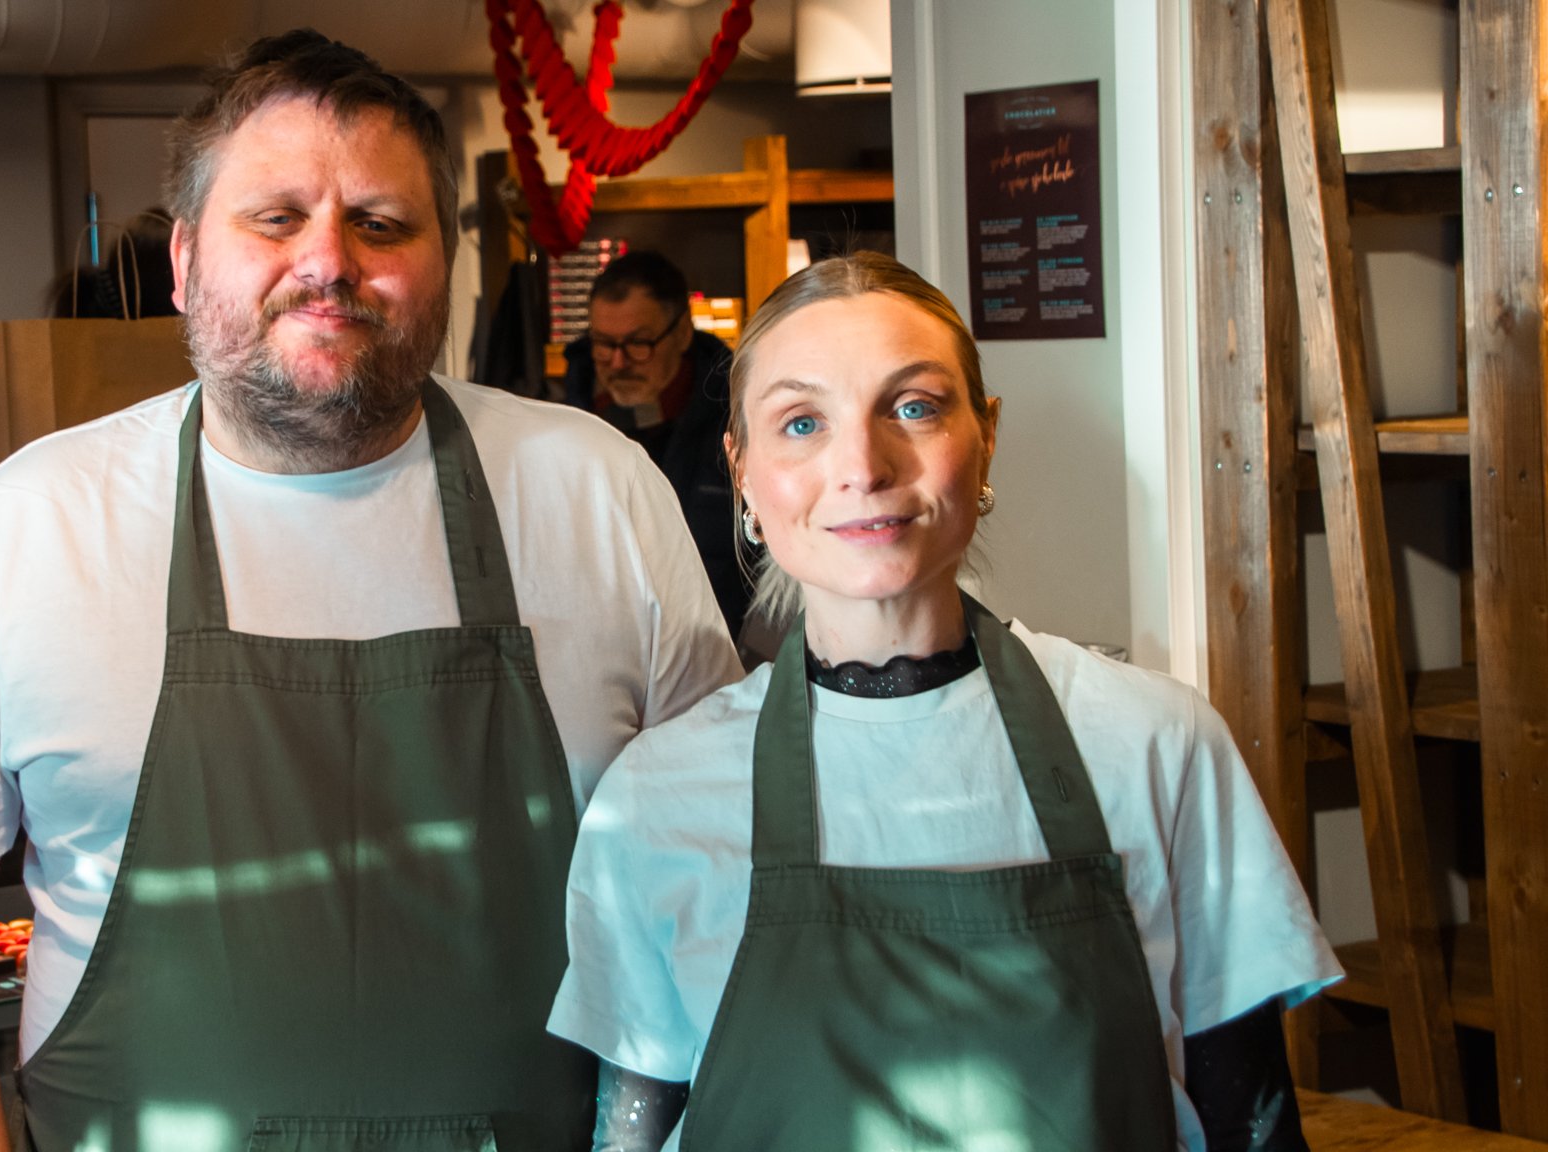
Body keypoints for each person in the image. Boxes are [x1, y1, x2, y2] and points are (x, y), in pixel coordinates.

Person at [0, 30, 740, 1152]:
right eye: (275, 217)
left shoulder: (595, 489)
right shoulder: (36, 522)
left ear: (443, 264)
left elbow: (720, 860)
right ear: (183, 260)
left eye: (380, 224)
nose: (327, 261)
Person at [547, 251, 1343, 1151]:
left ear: (986, 435)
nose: (862, 466)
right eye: (802, 422)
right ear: (743, 472)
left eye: (914, 407)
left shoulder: (1157, 744)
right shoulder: (659, 796)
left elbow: (1255, 1128)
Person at [562, 252, 748, 639]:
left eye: (638, 343)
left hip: (714, 652)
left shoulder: (740, 421)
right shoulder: (562, 420)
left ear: (682, 333)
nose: (618, 362)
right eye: (603, 343)